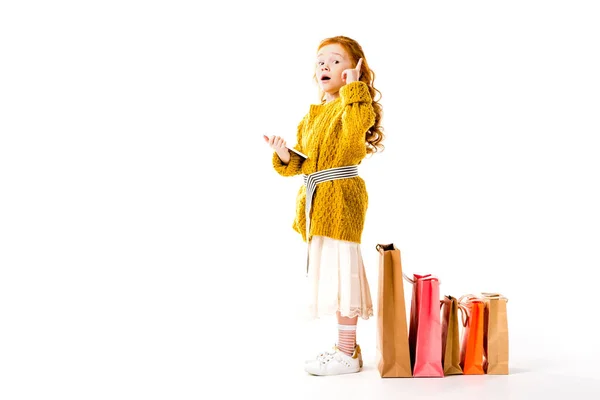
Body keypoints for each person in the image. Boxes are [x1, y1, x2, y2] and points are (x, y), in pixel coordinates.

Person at [263, 35, 385, 376]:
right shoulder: (314, 114)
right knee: (330, 273)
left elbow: (351, 140)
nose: (324, 66)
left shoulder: (354, 106)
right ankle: (345, 348)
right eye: (320, 61)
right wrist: (285, 154)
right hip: (319, 201)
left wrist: (355, 90)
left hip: (341, 199)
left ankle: (347, 352)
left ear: (354, 70)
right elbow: (305, 163)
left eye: (334, 60)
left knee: (341, 272)